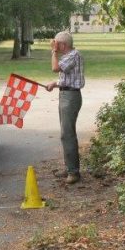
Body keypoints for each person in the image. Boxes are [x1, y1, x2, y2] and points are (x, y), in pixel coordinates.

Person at [44, 31, 84, 184]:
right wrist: (55, 83)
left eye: (56, 44)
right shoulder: (70, 56)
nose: (54, 46)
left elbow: (55, 68)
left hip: (71, 97)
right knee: (65, 133)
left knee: (67, 134)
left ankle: (74, 172)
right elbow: (68, 77)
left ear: (63, 45)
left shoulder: (73, 55)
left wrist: (53, 52)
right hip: (66, 94)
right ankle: (69, 168)